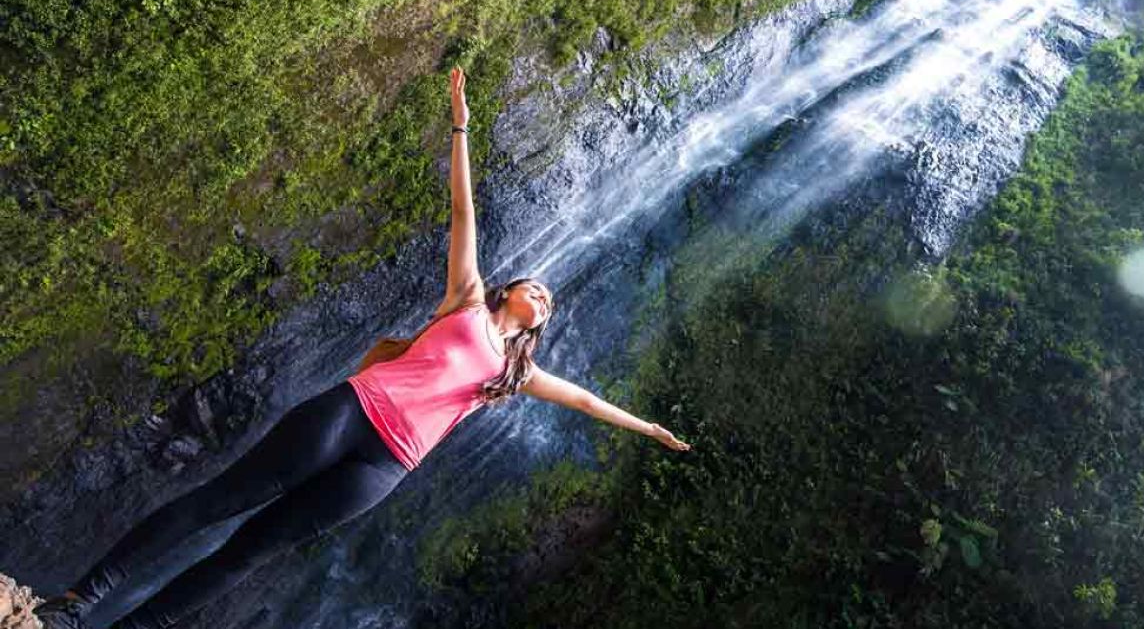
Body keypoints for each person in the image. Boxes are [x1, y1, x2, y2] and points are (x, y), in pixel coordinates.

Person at [32, 66, 691, 629]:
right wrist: (460, 126)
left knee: (244, 557)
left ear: (538, 323)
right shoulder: (466, 297)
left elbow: (580, 397)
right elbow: (463, 212)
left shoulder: (516, 371)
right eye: (536, 287)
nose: (542, 296)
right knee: (215, 504)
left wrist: (646, 426)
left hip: (383, 470)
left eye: (549, 301)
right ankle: (77, 601)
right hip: (348, 414)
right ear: (510, 289)